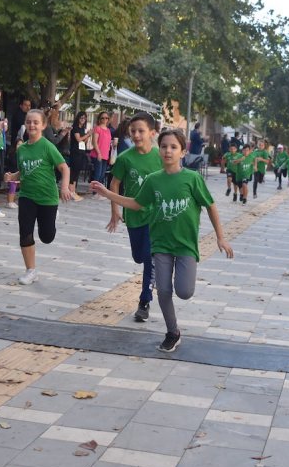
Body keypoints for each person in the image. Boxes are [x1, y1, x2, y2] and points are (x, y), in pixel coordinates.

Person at [90, 128, 233, 352]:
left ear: (183, 152)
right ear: (159, 150)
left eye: (174, 147)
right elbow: (137, 203)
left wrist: (221, 238)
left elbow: (210, 205)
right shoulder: (153, 180)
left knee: (184, 291)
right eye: (164, 146)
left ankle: (174, 322)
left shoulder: (192, 179)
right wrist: (108, 195)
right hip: (160, 244)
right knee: (164, 291)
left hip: (185, 245)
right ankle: (172, 332)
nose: (168, 151)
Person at [3, 109, 72, 285]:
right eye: (29, 122)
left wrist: (64, 187)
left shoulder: (48, 146)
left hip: (48, 197)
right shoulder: (22, 149)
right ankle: (30, 271)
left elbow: (64, 168)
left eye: (35, 122)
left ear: (43, 125)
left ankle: (52, 218)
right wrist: (12, 177)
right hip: (26, 196)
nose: (32, 125)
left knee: (46, 237)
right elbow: (24, 170)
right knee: (25, 233)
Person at [106, 112, 162, 322]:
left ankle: (144, 302)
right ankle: (149, 275)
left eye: (141, 131)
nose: (137, 135)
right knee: (138, 256)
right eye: (133, 131)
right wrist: (115, 211)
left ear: (152, 133)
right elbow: (114, 184)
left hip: (155, 218)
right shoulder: (124, 158)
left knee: (149, 257)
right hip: (133, 216)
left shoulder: (160, 157)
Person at [68, 112, 90, 200]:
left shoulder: (82, 129)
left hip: (81, 152)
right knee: (73, 172)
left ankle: (73, 191)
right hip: (75, 153)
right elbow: (78, 139)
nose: (83, 120)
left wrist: (88, 135)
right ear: (78, 118)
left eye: (84, 118)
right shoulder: (76, 128)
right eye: (81, 118)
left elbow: (83, 142)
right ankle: (71, 191)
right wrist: (88, 134)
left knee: (77, 172)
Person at [89, 111, 112, 195]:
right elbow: (94, 142)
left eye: (106, 118)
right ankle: (94, 192)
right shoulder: (97, 128)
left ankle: (99, 192)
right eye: (103, 118)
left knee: (102, 174)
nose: (105, 119)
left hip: (105, 155)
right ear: (99, 119)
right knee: (97, 174)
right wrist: (99, 153)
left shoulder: (108, 130)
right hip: (97, 154)